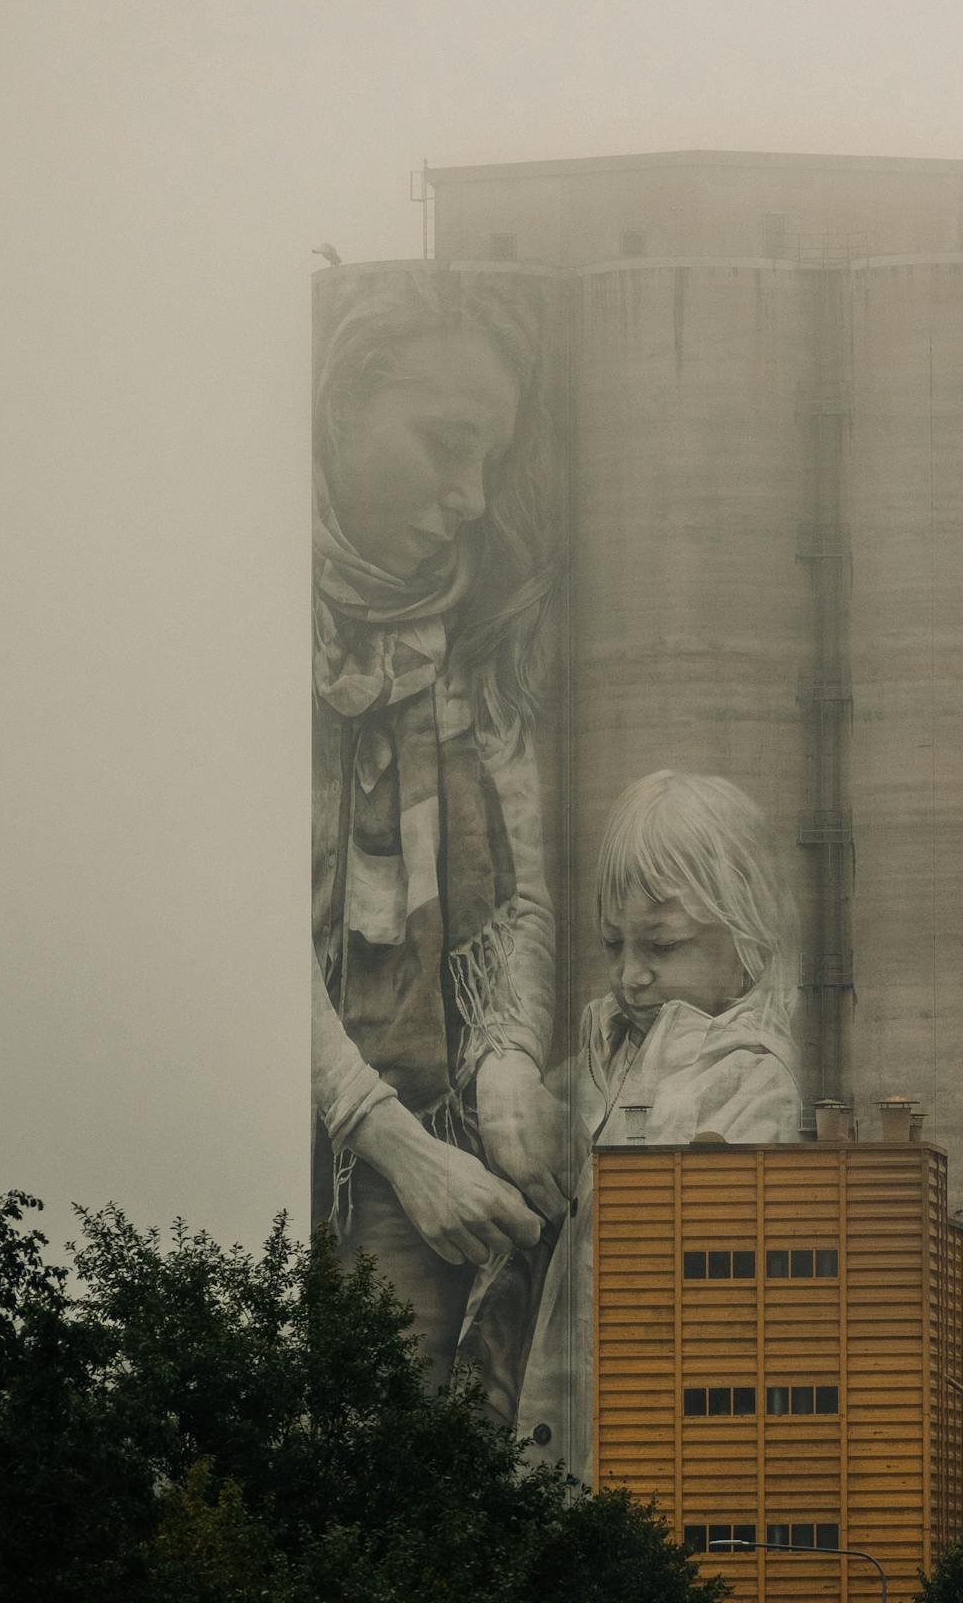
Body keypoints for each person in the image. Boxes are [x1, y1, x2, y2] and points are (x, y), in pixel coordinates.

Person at [310, 262, 571, 1418]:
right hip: (285, 1133)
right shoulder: (223, 604)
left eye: (491, 460)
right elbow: (217, 930)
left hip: (437, 1113)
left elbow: (520, 884)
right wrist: (391, 1146)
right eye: (445, 444)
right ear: (340, 404)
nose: (471, 495)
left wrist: (510, 1062)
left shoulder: (480, 624)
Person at [516, 769, 805, 1480]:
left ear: (747, 948)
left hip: (662, 1431)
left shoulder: (754, 1079)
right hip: (564, 1416)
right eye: (614, 945)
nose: (630, 975)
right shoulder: (599, 1049)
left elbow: (719, 1279)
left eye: (662, 945)